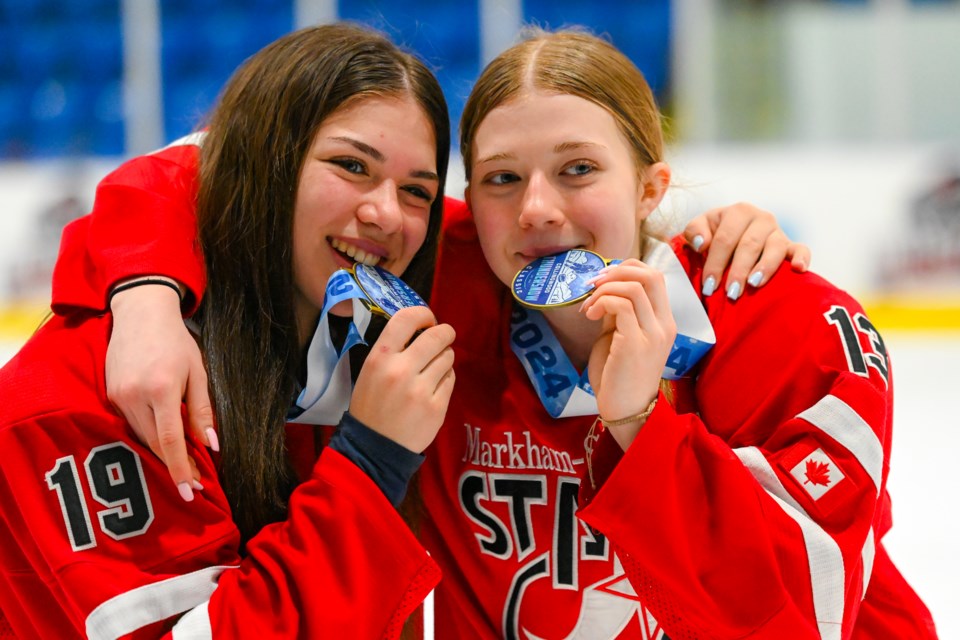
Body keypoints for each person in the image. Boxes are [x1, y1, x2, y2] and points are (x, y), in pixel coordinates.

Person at [44, 28, 815, 640]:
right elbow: (199, 162)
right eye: (501, 179)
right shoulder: (441, 267)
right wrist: (146, 290)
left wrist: (709, 247)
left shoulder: (774, 321)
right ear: (474, 198)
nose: (538, 210)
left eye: (578, 169)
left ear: (652, 186)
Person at [0, 24, 457, 638]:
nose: (386, 214)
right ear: (265, 164)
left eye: (417, 191)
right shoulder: (94, 394)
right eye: (351, 166)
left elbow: (529, 234)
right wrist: (373, 462)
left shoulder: (327, 330)